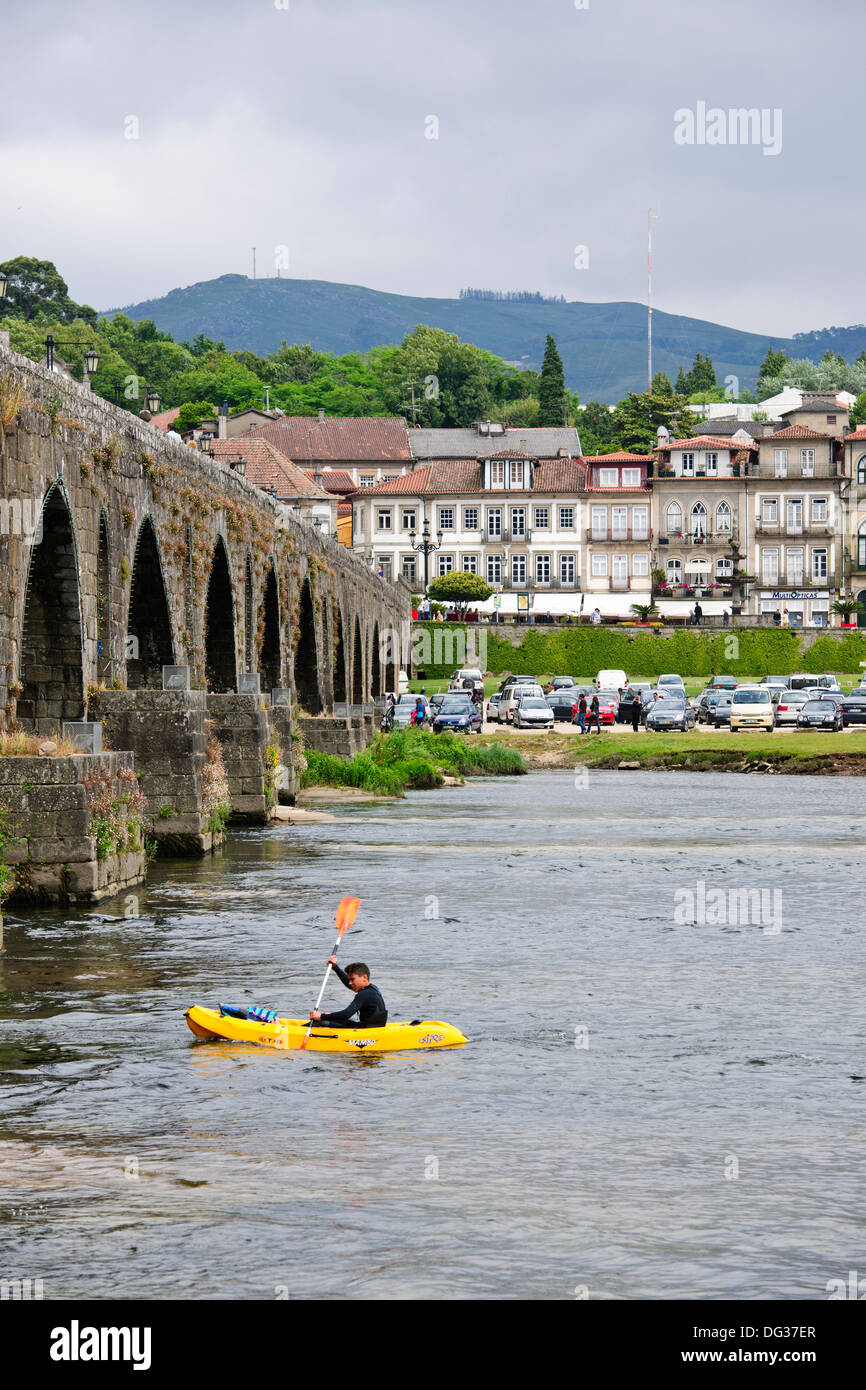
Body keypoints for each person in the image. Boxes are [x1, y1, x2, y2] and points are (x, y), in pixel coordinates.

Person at [310, 959, 387, 1028]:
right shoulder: (373, 989)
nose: (350, 983)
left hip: (366, 1031)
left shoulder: (364, 994)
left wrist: (321, 1016)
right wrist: (335, 967)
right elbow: (348, 984)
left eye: (352, 979)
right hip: (374, 1027)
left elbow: (346, 1014)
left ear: (364, 977)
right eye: (349, 979)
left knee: (321, 1022)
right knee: (330, 1018)